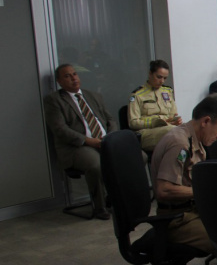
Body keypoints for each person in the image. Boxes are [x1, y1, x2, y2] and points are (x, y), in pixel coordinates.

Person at [150, 93, 217, 253]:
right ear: (206, 121)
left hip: (192, 210)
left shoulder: (195, 139)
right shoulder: (180, 143)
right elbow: (164, 190)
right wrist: (205, 191)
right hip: (177, 219)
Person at [44, 64, 118, 220]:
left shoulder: (93, 96)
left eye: (75, 74)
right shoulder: (54, 100)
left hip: (104, 141)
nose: (73, 78)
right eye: (67, 76)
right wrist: (88, 141)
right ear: (59, 81)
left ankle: (116, 198)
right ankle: (100, 207)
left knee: (138, 156)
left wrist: (110, 137)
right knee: (95, 164)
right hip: (76, 147)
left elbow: (110, 119)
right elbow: (60, 129)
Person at [128, 59, 182, 153]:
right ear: (150, 74)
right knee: (175, 132)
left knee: (190, 129)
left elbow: (173, 114)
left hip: (168, 128)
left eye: (165, 78)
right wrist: (154, 122)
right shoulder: (137, 95)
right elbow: (133, 122)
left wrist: (175, 121)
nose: (162, 81)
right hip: (147, 133)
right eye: (159, 77)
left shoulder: (167, 92)